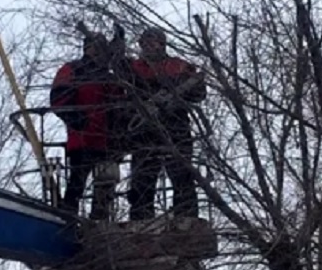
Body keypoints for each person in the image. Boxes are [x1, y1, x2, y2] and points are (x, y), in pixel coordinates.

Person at [124, 26, 207, 220]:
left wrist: (178, 96)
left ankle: (186, 219)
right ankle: (141, 221)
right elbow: (123, 86)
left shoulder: (179, 66)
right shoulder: (134, 68)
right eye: (145, 43)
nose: (148, 46)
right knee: (142, 180)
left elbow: (199, 94)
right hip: (144, 133)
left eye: (153, 42)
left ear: (162, 44)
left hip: (176, 128)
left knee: (182, 175)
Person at [49, 33, 123, 220]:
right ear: (87, 48)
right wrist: (78, 121)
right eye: (95, 48)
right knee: (77, 182)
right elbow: (59, 98)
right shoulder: (73, 70)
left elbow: (121, 105)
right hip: (83, 138)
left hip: (107, 140)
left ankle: (99, 221)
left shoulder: (110, 77)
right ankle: (69, 220)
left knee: (105, 184)